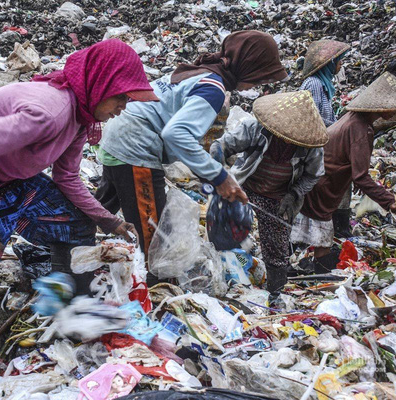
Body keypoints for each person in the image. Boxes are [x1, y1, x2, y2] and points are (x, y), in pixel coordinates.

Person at [0, 39, 159, 387]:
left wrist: (107, 219)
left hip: (8, 178)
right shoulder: (48, 112)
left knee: (73, 221)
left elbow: (67, 177)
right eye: (121, 97)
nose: (122, 108)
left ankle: (72, 309)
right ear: (101, 84)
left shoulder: (81, 117)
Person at [95, 30, 288, 256]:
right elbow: (176, 134)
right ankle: (154, 285)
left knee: (99, 212)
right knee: (154, 237)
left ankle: (69, 251)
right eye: (261, 76)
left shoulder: (200, 73)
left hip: (117, 136)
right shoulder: (213, 88)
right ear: (247, 66)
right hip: (135, 147)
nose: (258, 83)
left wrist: (210, 173)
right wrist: (219, 176)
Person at [291, 72, 396, 272]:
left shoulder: (352, 118)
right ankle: (316, 275)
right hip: (323, 184)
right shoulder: (361, 130)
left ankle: (305, 271)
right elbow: (360, 176)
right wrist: (390, 202)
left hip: (319, 180)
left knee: (312, 233)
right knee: (322, 237)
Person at [210, 91, 327, 294]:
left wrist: (294, 194)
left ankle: (275, 292)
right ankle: (225, 282)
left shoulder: (310, 146)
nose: (289, 141)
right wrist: (221, 175)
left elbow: (313, 175)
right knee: (225, 234)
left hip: (279, 198)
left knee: (276, 249)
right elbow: (220, 145)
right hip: (244, 187)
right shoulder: (255, 129)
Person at [300, 40, 353, 239]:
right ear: (329, 64)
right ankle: (338, 225)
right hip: (313, 144)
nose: (340, 66)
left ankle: (338, 223)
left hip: (322, 142)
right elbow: (311, 116)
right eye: (338, 62)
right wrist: (337, 128)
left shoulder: (323, 84)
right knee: (340, 175)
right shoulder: (314, 84)